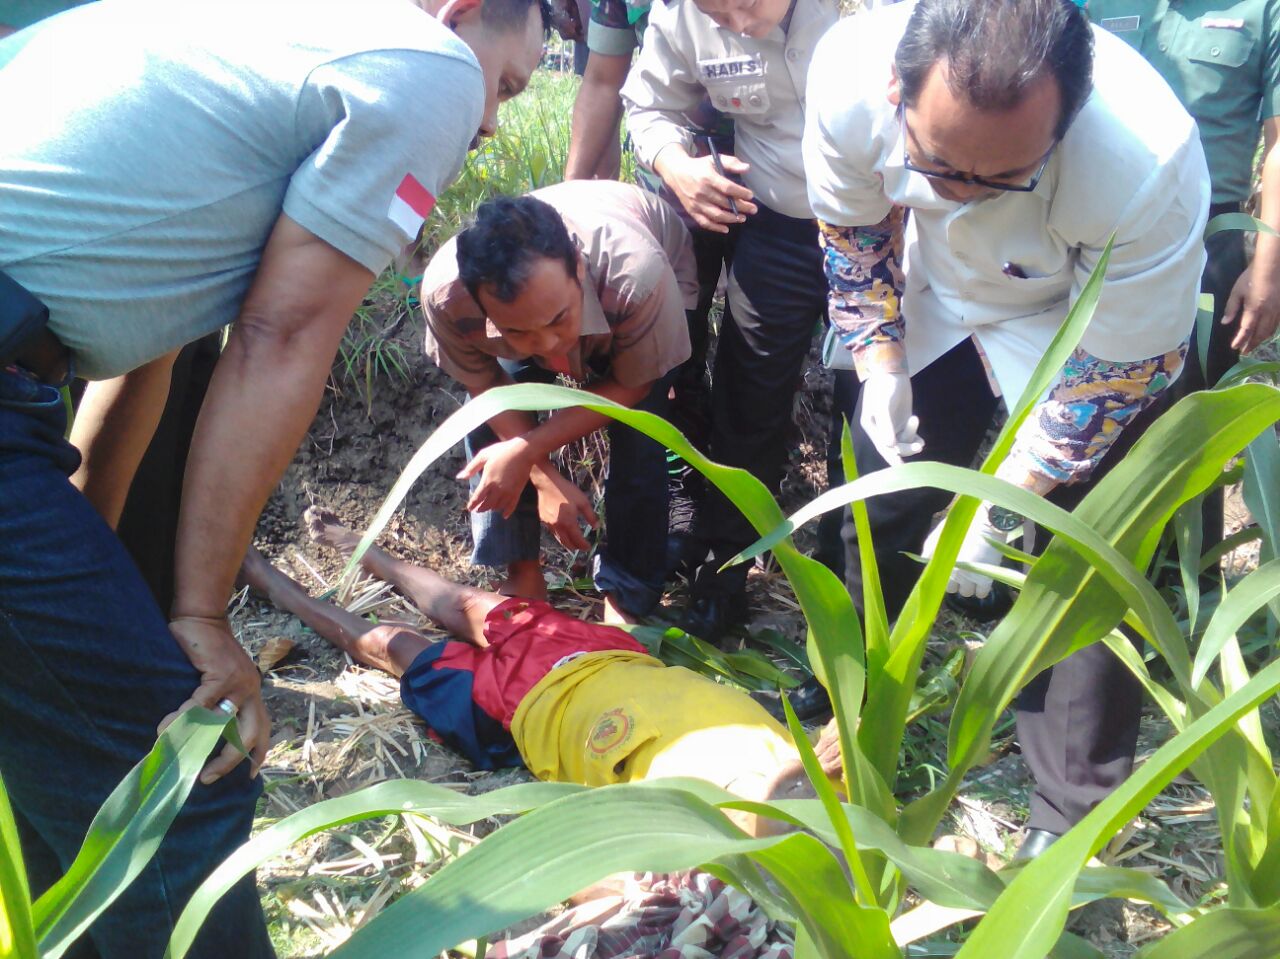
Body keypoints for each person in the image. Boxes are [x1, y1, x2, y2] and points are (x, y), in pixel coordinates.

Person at [0, 0, 545, 954]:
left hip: (22, 386)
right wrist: (202, 620)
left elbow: (147, 362)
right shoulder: (426, 65)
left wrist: (122, 581)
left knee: (76, 781)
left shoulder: (249, 48)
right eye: (508, 81)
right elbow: (283, 335)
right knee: (179, 772)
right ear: (462, 14)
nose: (493, 117)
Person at [803, 0, 1209, 856]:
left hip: (1083, 322)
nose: (960, 192)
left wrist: (1001, 501)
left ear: (1066, 124)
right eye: (938, 161)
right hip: (939, 293)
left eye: (1002, 175)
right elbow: (853, 232)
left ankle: (1070, 807)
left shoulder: (1146, 158)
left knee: (1089, 549)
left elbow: (1115, 370)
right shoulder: (844, 77)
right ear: (894, 91)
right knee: (881, 501)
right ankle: (862, 702)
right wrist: (878, 359)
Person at [240, 507, 829, 834]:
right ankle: (371, 551)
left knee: (394, 643)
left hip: (516, 711)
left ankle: (272, 584)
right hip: (599, 653)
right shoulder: (809, 763)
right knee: (462, 602)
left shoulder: (693, 832)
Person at [621, 0, 854, 642]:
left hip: (889, 225)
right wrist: (676, 165)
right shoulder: (683, 18)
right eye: (715, 9)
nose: (735, 21)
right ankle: (724, 574)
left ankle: (850, 602)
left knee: (865, 413)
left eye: (747, 2)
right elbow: (648, 105)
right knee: (747, 398)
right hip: (778, 226)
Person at [422, 181, 697, 624]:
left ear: (579, 269)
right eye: (517, 333)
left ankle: (628, 592)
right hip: (587, 296)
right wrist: (542, 476)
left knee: (642, 431)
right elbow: (487, 390)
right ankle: (521, 572)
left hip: (650, 284)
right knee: (490, 426)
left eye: (558, 320)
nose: (549, 349)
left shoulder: (637, 277)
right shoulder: (447, 298)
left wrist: (530, 449)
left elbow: (631, 388)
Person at [1086, 0, 1280, 552]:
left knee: (1187, 420)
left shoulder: (1262, 11)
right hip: (1097, 228)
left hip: (1206, 231)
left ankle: (1181, 590)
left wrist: (1268, 266)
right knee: (1088, 404)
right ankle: (1068, 572)